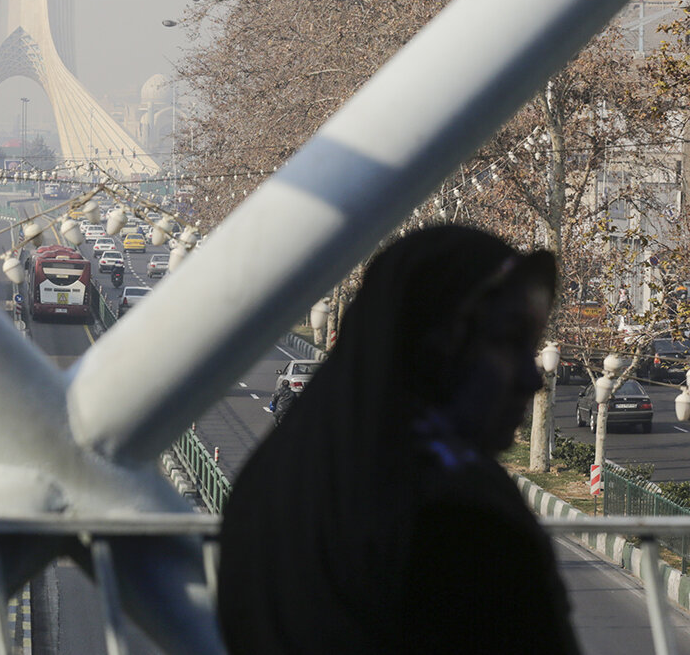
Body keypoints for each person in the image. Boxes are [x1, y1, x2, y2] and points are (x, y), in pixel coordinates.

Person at [217, 226, 580, 654]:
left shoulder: (271, 482)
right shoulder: (460, 513)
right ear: (437, 347)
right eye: (506, 343)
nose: (531, 377)